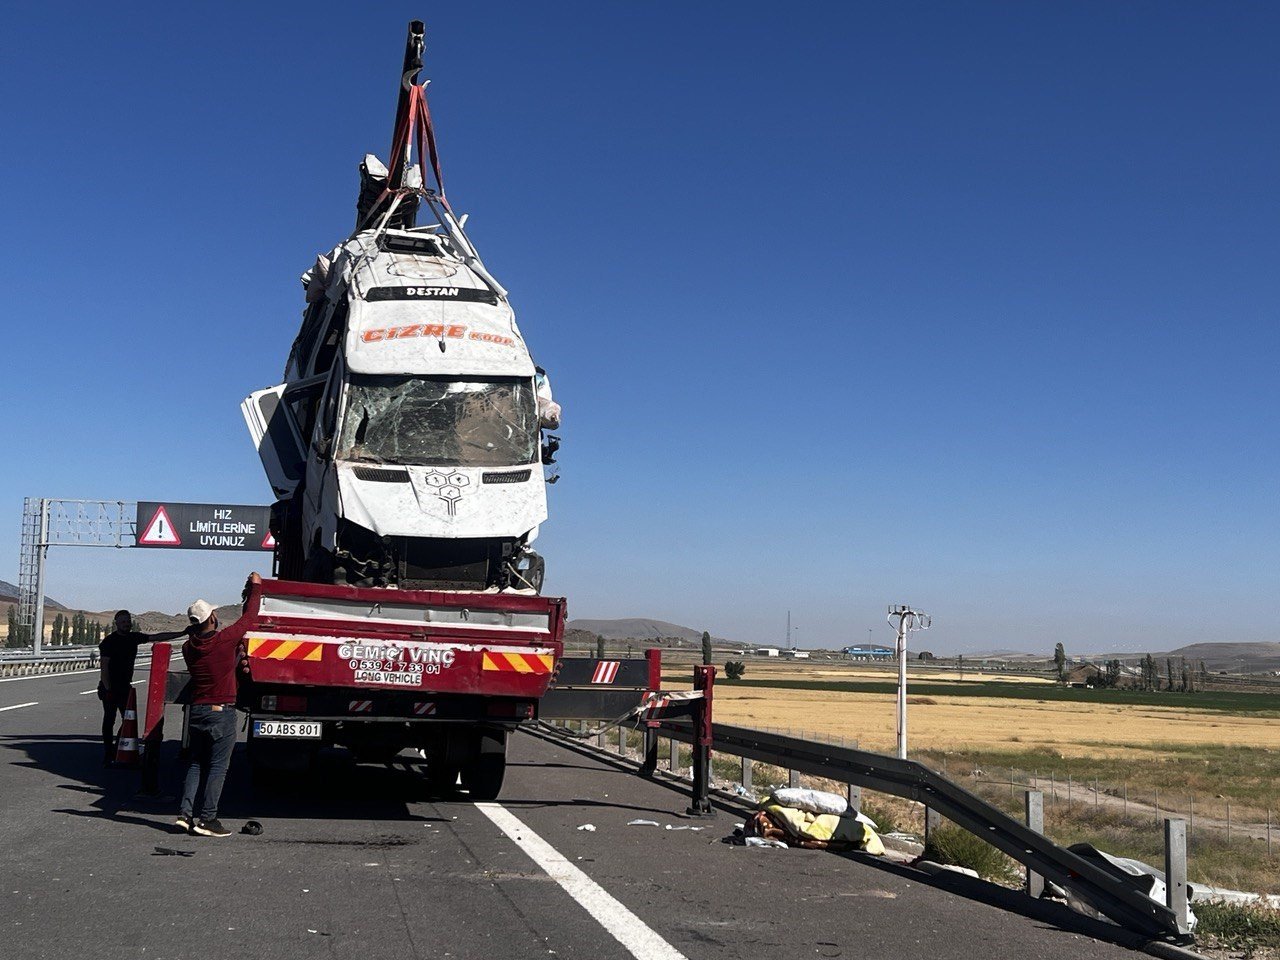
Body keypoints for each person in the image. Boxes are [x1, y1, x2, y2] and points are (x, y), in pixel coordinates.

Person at [177, 599, 242, 837]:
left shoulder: (187, 647)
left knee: (196, 763)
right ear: (212, 618)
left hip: (198, 710)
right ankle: (207, 819)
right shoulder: (224, 640)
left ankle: (185, 815)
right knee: (218, 766)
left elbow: (217, 667)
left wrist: (234, 659)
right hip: (220, 711)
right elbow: (249, 618)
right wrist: (256, 586)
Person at [97, 611, 187, 767]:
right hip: (110, 687)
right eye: (123, 621)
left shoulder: (133, 638)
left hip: (125, 687)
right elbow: (104, 667)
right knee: (109, 719)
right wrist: (108, 689)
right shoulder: (109, 642)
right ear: (116, 623)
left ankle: (117, 748)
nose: (126, 624)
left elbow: (157, 637)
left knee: (127, 720)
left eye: (128, 621)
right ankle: (107, 753)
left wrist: (182, 633)